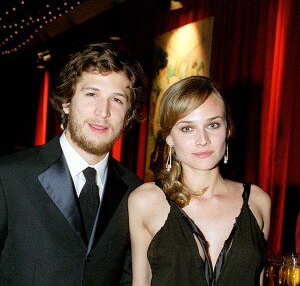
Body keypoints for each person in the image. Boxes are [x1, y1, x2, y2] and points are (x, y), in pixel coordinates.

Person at [0, 42, 148, 285]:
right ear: (66, 102)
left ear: (128, 115)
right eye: (92, 94)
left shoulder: (135, 192)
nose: (103, 112)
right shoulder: (9, 178)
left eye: (117, 100)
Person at [128, 75, 271, 286]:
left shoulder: (257, 201)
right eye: (187, 128)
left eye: (213, 125)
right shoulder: (146, 201)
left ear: (228, 129)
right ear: (169, 137)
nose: (202, 140)